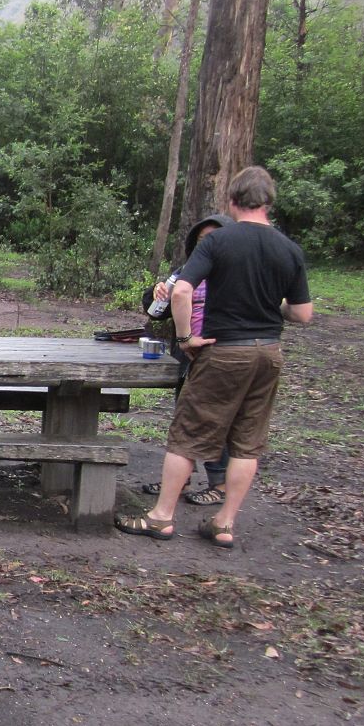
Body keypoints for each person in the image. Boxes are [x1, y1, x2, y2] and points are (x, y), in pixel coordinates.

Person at [117, 166, 313, 548]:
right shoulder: (289, 249)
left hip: (224, 351)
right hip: (268, 353)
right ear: (269, 202)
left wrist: (186, 337)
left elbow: (180, 291)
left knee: (187, 435)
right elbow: (302, 313)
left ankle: (161, 517)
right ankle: (224, 523)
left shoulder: (219, 241)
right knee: (247, 442)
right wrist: (274, 308)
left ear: (232, 201)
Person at [139, 213, 234, 506]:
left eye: (215, 238)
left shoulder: (233, 273)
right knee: (185, 419)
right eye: (203, 239)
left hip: (220, 354)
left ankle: (220, 484)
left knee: (213, 419)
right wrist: (155, 293)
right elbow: (155, 311)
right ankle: (180, 481)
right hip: (187, 355)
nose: (209, 244)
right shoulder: (185, 271)